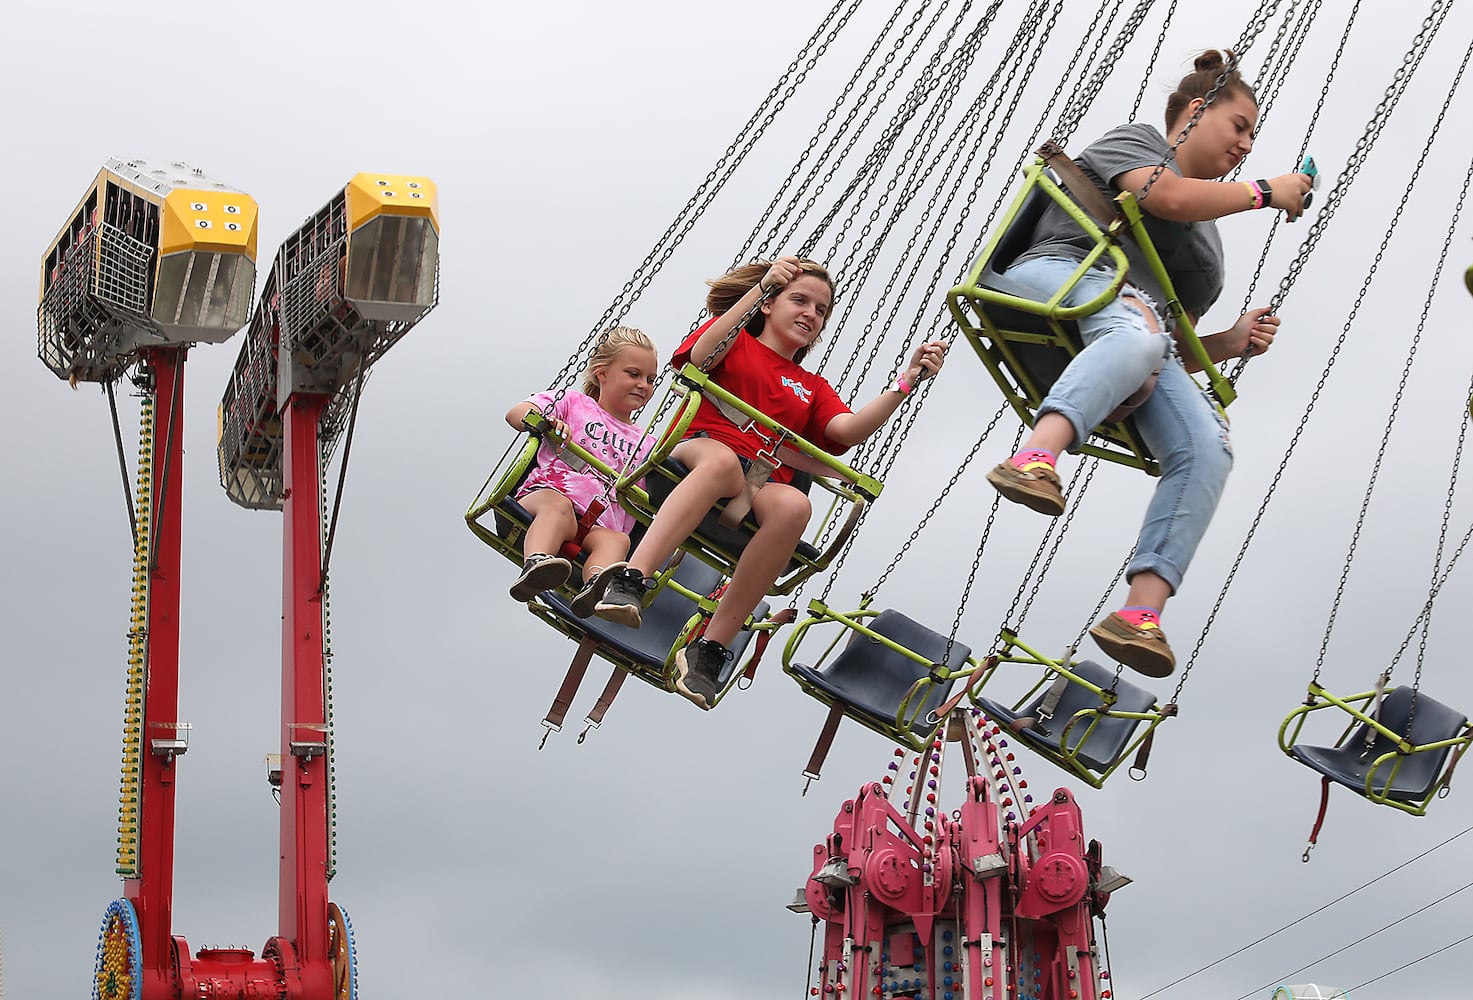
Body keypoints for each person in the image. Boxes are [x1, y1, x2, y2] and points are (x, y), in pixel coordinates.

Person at [984, 49, 1314, 678]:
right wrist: (1267, 191)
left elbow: (1170, 343)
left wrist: (1228, 343)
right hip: (1059, 271)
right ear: (1195, 112)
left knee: (1209, 445)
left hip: (1128, 325)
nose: (1245, 145)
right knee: (1134, 330)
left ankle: (1141, 613)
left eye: (1252, 137)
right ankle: (1035, 456)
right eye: (1239, 126)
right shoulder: (1134, 144)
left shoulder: (1207, 239)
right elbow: (1164, 198)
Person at [594, 255, 947, 710]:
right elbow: (699, 357)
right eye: (799, 300)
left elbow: (846, 431)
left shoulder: (811, 387)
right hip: (699, 453)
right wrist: (758, 288)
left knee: (795, 507)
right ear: (769, 305)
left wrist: (905, 384)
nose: (811, 314)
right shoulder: (735, 340)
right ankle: (631, 579)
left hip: (756, 483)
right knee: (722, 463)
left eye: (821, 310)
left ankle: (710, 649)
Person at [504, 326, 659, 617]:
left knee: (619, 541)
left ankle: (597, 588)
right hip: (549, 496)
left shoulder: (648, 442)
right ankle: (537, 563)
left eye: (651, 379)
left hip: (602, 523)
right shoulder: (574, 403)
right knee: (558, 508)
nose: (643, 385)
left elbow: (655, 492)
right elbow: (516, 413)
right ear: (602, 373)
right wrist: (547, 423)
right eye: (633, 374)